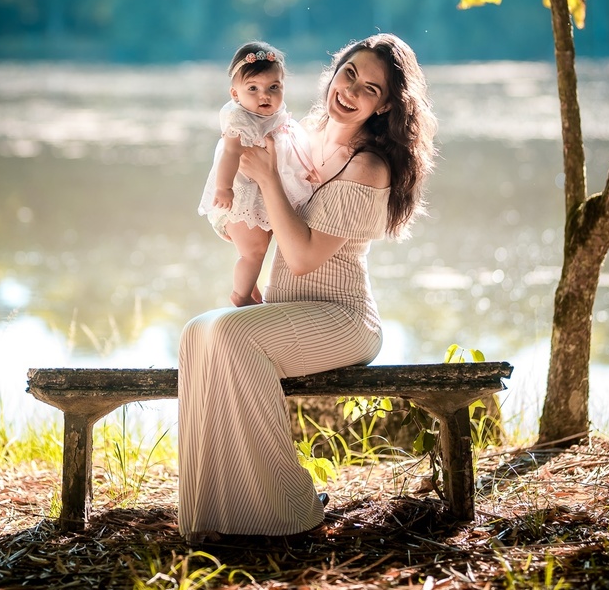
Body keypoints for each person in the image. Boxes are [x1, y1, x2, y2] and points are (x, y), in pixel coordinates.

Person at [178, 33, 437, 543]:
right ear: (332, 72)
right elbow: (257, 205)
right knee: (198, 332)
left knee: (230, 336)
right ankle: (218, 511)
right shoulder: (304, 133)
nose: (350, 90)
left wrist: (271, 180)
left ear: (384, 105)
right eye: (348, 74)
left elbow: (301, 258)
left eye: (369, 88)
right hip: (288, 311)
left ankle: (290, 510)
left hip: (342, 319)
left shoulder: (369, 165)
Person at [197, 41, 317, 307]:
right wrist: (224, 188)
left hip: (263, 194)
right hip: (242, 197)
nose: (265, 95)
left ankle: (250, 291)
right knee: (253, 252)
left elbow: (292, 148)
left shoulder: (277, 116)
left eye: (273, 87)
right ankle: (239, 297)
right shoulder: (240, 120)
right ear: (236, 94)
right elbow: (229, 153)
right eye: (253, 89)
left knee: (261, 249)